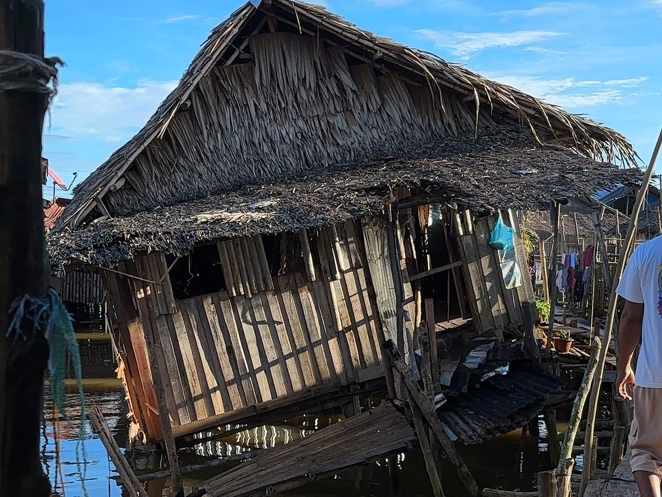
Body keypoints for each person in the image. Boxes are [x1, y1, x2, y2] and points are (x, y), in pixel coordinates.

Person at [616, 236, 662, 497]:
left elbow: (631, 316)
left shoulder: (646, 253)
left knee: (646, 454)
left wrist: (624, 365)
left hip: (655, 374)